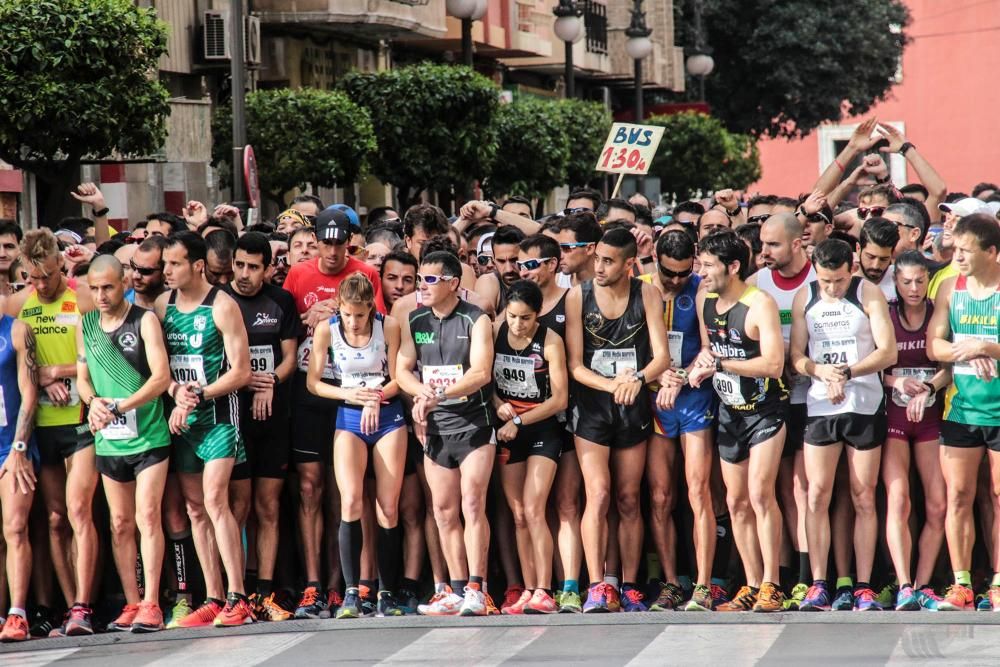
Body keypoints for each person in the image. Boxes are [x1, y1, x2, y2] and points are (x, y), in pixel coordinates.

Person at [282, 207, 385, 619]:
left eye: (337, 244)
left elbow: (378, 322)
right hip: (312, 389)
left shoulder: (365, 274)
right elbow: (288, 329)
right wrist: (311, 318)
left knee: (352, 491)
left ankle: (352, 584)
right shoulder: (299, 275)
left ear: (350, 243)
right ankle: (313, 585)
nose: (329, 252)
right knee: (310, 488)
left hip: (358, 393)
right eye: (323, 244)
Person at [565, 227, 670, 612]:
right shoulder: (578, 296)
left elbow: (661, 357)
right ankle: (597, 585)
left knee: (628, 498)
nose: (599, 267)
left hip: (633, 404)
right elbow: (574, 365)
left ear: (629, 264)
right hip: (594, 407)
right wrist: (612, 385)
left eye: (608, 261)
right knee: (599, 493)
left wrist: (638, 379)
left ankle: (628, 584)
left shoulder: (647, 294)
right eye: (597, 259)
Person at [791, 238, 897, 612]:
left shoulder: (868, 294)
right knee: (817, 494)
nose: (832, 288)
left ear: (850, 268)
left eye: (837, 280)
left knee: (863, 495)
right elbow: (796, 355)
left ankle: (864, 584)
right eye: (825, 281)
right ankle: (820, 582)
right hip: (821, 405)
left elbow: (888, 351)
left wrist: (846, 372)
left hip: (863, 403)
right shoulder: (806, 297)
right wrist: (819, 370)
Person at [155, 232, 253, 627]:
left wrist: (199, 393)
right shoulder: (164, 305)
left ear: (197, 265)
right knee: (195, 510)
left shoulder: (222, 306)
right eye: (165, 263)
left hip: (218, 417)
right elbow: (160, 369)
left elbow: (242, 371)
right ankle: (213, 596)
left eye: (174, 263)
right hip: (183, 419)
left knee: (215, 501)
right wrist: (177, 391)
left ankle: (238, 595)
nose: (167, 271)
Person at [688, 230, 788, 613]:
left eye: (709, 266)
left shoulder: (759, 303)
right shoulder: (705, 301)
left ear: (733, 267)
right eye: (701, 265)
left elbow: (774, 363)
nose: (702, 272)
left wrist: (722, 365)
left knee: (761, 493)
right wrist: (691, 372)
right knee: (735, 501)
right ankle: (749, 583)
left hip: (766, 410)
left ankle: (771, 583)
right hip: (730, 410)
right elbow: (708, 350)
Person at [6, 228, 96, 636]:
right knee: (56, 519)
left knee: (79, 512)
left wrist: (57, 372)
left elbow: (103, 357)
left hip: (80, 419)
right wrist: (40, 381)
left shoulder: (83, 298)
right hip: (41, 424)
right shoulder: (20, 304)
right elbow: (19, 365)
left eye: (48, 275)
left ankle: (85, 607)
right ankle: (68, 604)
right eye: (34, 277)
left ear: (62, 263)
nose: (42, 284)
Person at [397, 250, 495, 616]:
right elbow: (403, 369)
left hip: (473, 423)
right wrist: (418, 391)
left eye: (430, 279)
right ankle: (454, 589)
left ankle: (477, 588)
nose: (421, 285)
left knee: (472, 503)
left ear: (453, 283)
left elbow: (481, 372)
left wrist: (438, 394)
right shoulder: (415, 318)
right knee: (442, 510)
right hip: (435, 429)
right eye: (420, 278)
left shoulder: (476, 319)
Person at [77, 255, 172, 632]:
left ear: (124, 283)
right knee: (119, 523)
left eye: (108, 288)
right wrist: (93, 403)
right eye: (94, 288)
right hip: (110, 442)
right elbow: (83, 378)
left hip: (149, 435)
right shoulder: (86, 325)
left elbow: (161, 378)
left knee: (147, 516)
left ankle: (152, 602)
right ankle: (132, 602)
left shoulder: (143, 320)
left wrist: (121, 405)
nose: (100, 295)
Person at [308, 273, 407, 618]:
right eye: (347, 314)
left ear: (371, 309)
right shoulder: (327, 329)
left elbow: (399, 376)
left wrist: (377, 397)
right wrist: (348, 394)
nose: (353, 322)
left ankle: (387, 592)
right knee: (350, 500)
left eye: (360, 315)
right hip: (349, 415)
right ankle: (351, 593)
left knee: (387, 506)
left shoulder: (389, 325)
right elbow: (314, 382)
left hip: (386, 414)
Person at [223, 233, 300, 621]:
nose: (245, 274)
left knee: (268, 505)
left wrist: (268, 380)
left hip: (273, 416)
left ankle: (266, 593)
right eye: (239, 265)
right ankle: (237, 590)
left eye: (254, 267)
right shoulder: (222, 301)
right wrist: (244, 380)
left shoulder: (281, 301)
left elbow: (290, 358)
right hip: (232, 416)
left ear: (269, 268)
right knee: (238, 505)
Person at [640, 230, 718, 612]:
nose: (674, 281)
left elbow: (709, 348)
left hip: (693, 396)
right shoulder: (640, 286)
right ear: (654, 256)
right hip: (655, 398)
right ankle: (671, 582)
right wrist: (658, 379)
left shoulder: (701, 288)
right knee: (659, 497)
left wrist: (682, 376)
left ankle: (702, 584)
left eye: (682, 273)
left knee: (697, 490)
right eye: (668, 273)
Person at [927, 214, 1000, 611]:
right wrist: (965, 348)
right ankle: (962, 585)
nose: (957, 257)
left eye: (965, 251)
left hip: (999, 411)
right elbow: (933, 345)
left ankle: (999, 583)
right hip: (961, 409)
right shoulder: (951, 288)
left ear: (992, 251)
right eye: (954, 249)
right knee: (959, 495)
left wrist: (987, 349)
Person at [750, 212, 817, 609]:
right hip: (769, 401)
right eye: (762, 243)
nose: (765, 252)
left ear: (797, 243)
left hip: (811, 399)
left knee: (804, 488)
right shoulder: (758, 283)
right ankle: (781, 573)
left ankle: (810, 575)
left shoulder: (816, 281)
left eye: (773, 244)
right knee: (773, 491)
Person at [493, 280, 568, 614]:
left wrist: (520, 420)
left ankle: (545, 589)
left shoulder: (550, 340)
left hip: (542, 428)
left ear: (538, 315)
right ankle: (527, 588)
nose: (517, 325)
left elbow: (560, 398)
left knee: (536, 508)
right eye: (512, 316)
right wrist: (498, 404)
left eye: (525, 318)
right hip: (508, 431)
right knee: (519, 514)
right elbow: (486, 380)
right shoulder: (496, 331)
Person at [881, 250, 948, 611]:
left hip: (931, 417)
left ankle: (922, 584)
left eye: (920, 280)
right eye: (906, 281)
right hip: (894, 416)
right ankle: (903, 583)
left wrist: (931, 387)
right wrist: (898, 380)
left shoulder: (939, 312)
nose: (914, 288)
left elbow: (949, 366)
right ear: (895, 282)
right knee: (899, 500)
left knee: (938, 506)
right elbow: (873, 365)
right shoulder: (888, 314)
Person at [0, 309, 39, 642]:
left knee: (15, 526)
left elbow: (29, 392)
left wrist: (20, 447)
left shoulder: (16, 331)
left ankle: (18, 613)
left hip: (10, 446)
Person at [474, 226, 525, 316]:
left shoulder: (537, 277)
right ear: (493, 260)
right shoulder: (488, 281)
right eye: (501, 261)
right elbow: (486, 326)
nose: (509, 269)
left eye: (514, 260)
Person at [857, 217, 900, 300]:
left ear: (892, 253)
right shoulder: (842, 280)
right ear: (858, 249)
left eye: (884, 259)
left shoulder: (902, 280)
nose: (876, 265)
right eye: (870, 257)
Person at [126, 235, 168, 309]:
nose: (136, 276)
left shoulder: (178, 303)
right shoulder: (121, 302)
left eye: (145, 271)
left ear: (165, 271)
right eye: (133, 266)